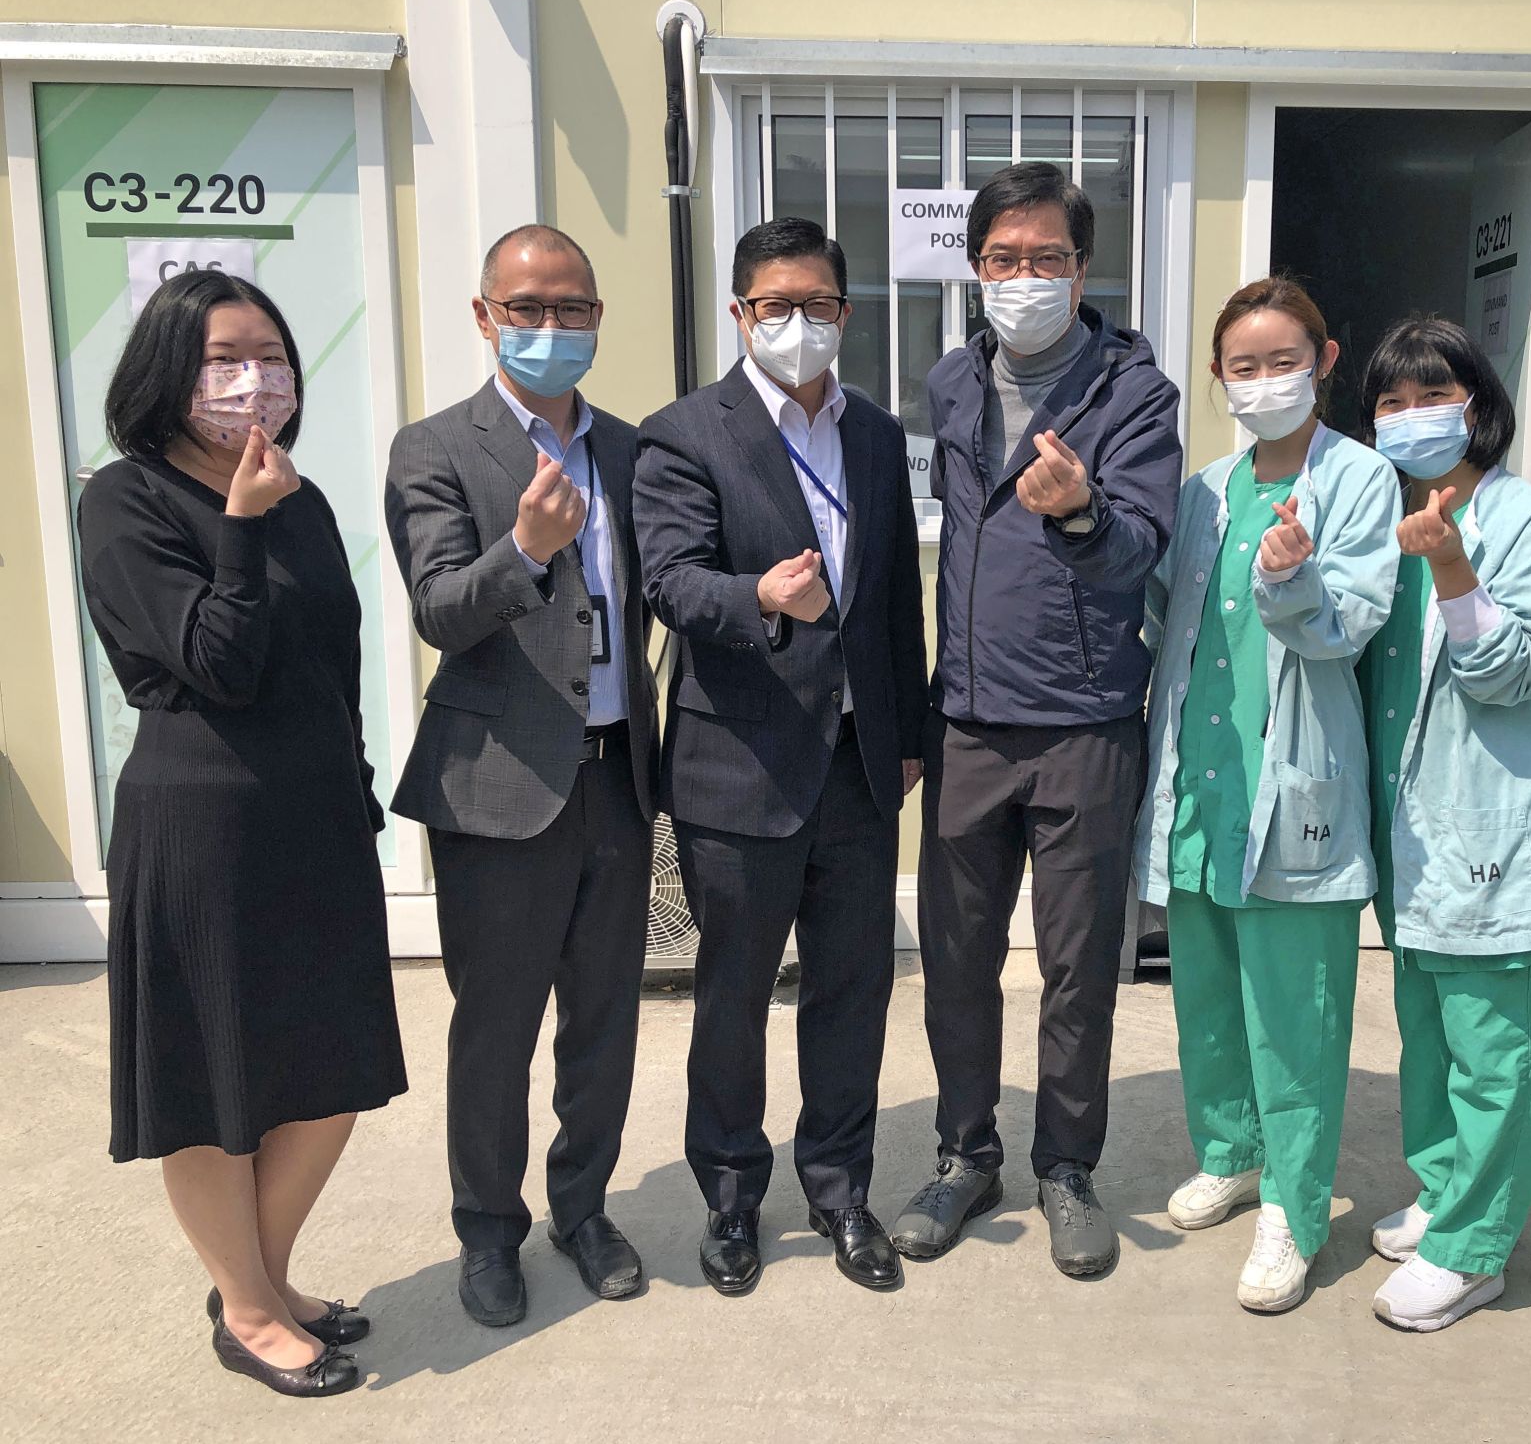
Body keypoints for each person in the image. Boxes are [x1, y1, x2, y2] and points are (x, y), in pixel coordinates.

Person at [77, 269, 406, 1398]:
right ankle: (253, 1311)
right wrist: (239, 528)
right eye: (223, 358)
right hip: (202, 823)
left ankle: (255, 1277)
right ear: (170, 374)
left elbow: (330, 663)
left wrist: (354, 784)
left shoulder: (296, 495)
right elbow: (216, 662)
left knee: (332, 1069)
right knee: (214, 1079)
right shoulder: (124, 502)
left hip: (314, 817)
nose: (252, 378)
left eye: (269, 354)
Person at [893, 161, 1182, 1279]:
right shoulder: (949, 385)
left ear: (1081, 268)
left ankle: (1066, 1167)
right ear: (974, 269)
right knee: (956, 962)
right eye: (1004, 259)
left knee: (1074, 971)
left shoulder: (1132, 396)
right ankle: (966, 1157)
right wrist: (926, 712)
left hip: (1083, 726)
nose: (1024, 278)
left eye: (1047, 259)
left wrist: (1081, 512)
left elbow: (1137, 553)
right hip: (967, 722)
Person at [633, 218, 928, 1296]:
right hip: (739, 767)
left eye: (817, 305)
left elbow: (895, 600)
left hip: (856, 768)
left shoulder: (878, 436)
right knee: (732, 995)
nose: (796, 324)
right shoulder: (683, 435)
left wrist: (907, 738)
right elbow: (670, 580)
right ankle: (727, 1196)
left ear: (845, 314)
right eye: (774, 305)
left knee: (852, 992)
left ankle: (841, 1190)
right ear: (739, 314)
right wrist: (758, 595)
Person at [383, 224, 658, 1327]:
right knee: (495, 1022)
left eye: (573, 309)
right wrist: (528, 550)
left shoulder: (634, 452)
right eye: (528, 309)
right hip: (497, 782)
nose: (551, 329)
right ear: (484, 316)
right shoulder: (435, 447)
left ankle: (581, 1209)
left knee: (606, 1017)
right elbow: (440, 607)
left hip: (615, 778)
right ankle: (487, 1230)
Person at [1136, 277, 1398, 1313]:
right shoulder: (1203, 488)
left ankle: (1293, 1204)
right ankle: (1231, 1151)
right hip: (1202, 785)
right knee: (1202, 994)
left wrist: (1291, 579)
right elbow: (1167, 613)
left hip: (1294, 791)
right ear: (1216, 378)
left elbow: (1350, 628)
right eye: (1240, 367)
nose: (1260, 382)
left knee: (1294, 1013)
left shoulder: (1361, 481)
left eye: (1280, 360)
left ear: (1324, 361)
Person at [1351, 317, 1531, 1332]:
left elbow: (1522, 672)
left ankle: (1475, 1248)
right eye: (1389, 400)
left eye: (1433, 394)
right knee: (1429, 1036)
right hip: (1414, 841)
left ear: (1480, 405)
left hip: (1501, 833)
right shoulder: (1382, 519)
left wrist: (1454, 571)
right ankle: (1442, 1189)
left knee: (1497, 1052)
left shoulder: (1526, 521)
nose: (1412, 417)